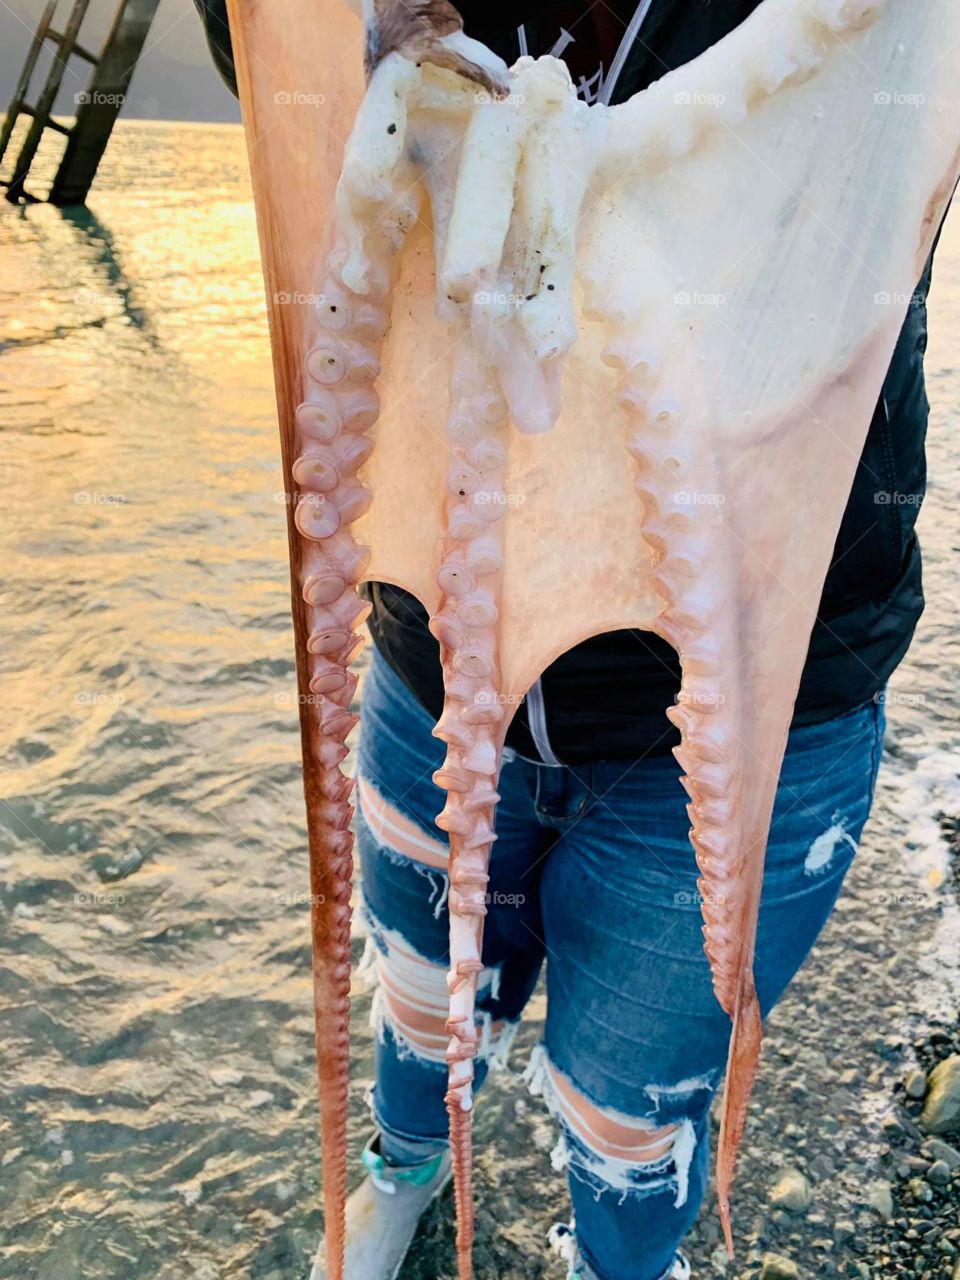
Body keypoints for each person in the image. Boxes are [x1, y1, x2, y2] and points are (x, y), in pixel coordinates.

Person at [195, 3, 939, 1277]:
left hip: (751, 704)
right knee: (419, 1004)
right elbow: (282, 44)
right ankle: (401, 1174)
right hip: (434, 663)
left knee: (631, 1119)